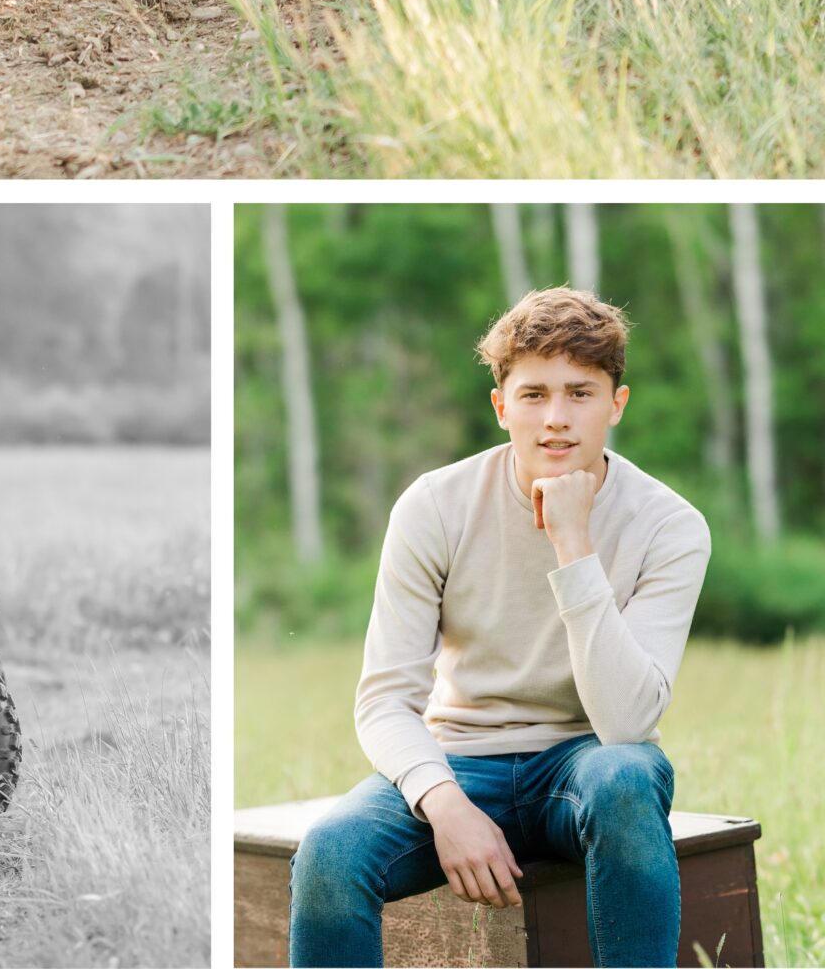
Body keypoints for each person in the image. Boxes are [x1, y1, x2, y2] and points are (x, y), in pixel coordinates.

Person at [287, 286, 713, 969]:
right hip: (458, 759)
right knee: (330, 853)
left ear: (617, 404)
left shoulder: (671, 526)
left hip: (584, 763)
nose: (556, 420)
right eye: (534, 394)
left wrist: (574, 545)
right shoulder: (435, 506)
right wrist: (445, 806)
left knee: (628, 780)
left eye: (580, 393)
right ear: (500, 406)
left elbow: (628, 723)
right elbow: (383, 699)